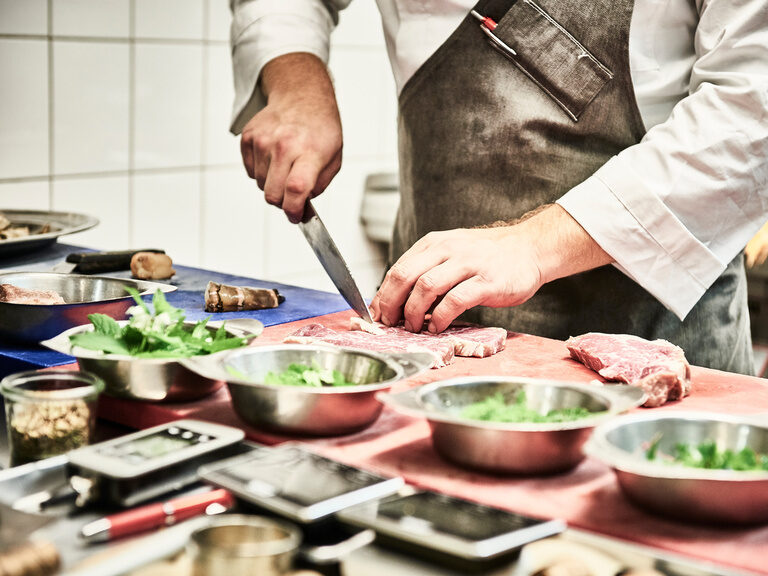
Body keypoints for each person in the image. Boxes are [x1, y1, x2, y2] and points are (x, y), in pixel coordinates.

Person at [229, 0, 768, 374]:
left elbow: (752, 116)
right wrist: (295, 79)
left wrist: (533, 245)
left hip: (653, 357)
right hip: (430, 347)